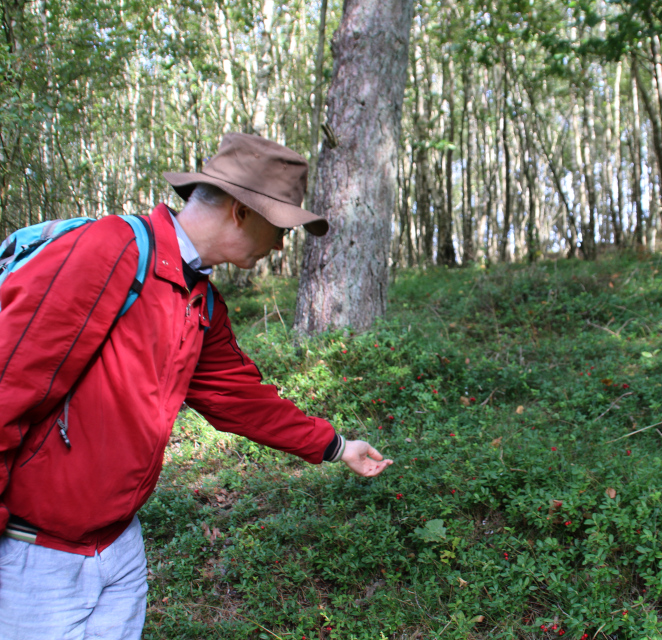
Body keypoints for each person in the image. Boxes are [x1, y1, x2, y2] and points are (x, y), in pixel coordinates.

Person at [0, 133, 392, 638]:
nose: (281, 244)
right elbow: (10, 380)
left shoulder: (200, 300)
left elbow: (242, 400)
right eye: (281, 227)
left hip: (118, 547)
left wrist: (337, 446)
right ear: (241, 211)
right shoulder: (108, 251)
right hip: (37, 558)